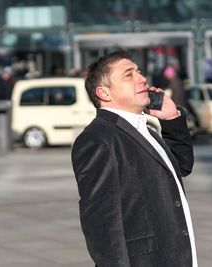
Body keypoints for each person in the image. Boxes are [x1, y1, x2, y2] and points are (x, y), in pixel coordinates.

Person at [71, 51, 197, 267]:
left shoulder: (145, 129)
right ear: (104, 93)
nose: (142, 78)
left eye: (138, 72)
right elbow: (102, 225)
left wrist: (171, 119)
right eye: (129, 75)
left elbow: (181, 167)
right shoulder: (98, 139)